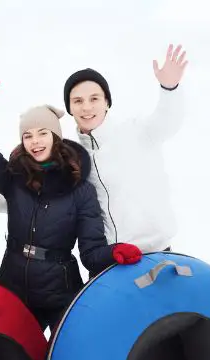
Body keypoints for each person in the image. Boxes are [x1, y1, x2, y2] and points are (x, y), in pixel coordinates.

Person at [0, 63, 143, 333]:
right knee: (8, 359)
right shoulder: (14, 178)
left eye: (42, 133)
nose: (35, 141)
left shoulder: (80, 188)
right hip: (13, 284)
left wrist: (113, 253)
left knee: (65, 356)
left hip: (60, 290)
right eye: (28, 136)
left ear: (55, 136)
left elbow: (91, 252)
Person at [63, 44, 189, 254]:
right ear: (70, 108)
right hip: (113, 261)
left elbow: (168, 121)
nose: (86, 107)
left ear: (107, 103)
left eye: (94, 99)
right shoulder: (75, 157)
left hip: (157, 252)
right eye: (78, 101)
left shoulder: (135, 132)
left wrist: (170, 89)